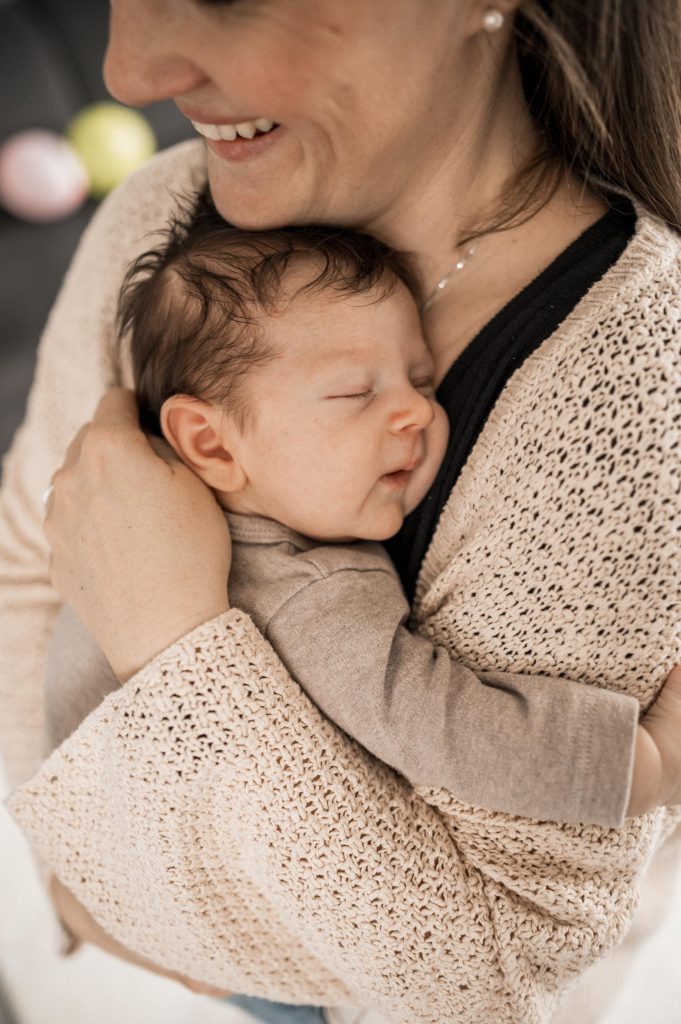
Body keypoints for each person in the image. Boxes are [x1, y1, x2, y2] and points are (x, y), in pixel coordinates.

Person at [1, 2, 680, 1023]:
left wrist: (170, 633)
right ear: (205, 439)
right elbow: (22, 561)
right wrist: (85, 864)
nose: (128, 69)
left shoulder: (630, 382)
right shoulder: (169, 221)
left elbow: (491, 964)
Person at [44, 200, 675, 833]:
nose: (417, 413)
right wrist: (648, 765)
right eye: (354, 393)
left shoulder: (142, 500)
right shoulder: (306, 593)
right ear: (210, 443)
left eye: (422, 380)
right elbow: (447, 730)